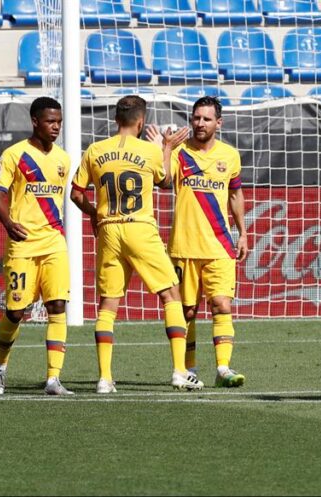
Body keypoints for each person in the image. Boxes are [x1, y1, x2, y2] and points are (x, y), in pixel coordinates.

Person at [70, 95, 200, 394]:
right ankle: (180, 372)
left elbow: (76, 193)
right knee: (171, 294)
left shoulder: (95, 150)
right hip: (139, 228)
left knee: (108, 304)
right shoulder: (147, 150)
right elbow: (165, 181)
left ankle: (104, 378)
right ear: (141, 122)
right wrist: (167, 147)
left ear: (116, 119)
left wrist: (93, 213)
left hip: (109, 230)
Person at [157, 96, 249, 388]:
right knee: (187, 311)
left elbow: (235, 195)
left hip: (219, 245)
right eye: (196, 118)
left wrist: (243, 232)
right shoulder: (180, 153)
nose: (199, 123)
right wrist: (166, 147)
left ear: (218, 123)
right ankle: (188, 368)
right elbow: (163, 180)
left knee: (222, 304)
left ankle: (223, 369)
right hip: (183, 245)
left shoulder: (230, 156)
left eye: (206, 119)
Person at [0, 97, 73, 396]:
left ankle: (53, 378)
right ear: (35, 121)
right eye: (51, 121)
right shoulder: (14, 155)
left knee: (57, 306)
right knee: (16, 310)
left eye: (59, 122)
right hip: (22, 245)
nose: (56, 127)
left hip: (54, 243)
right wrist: (9, 223)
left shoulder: (63, 159)